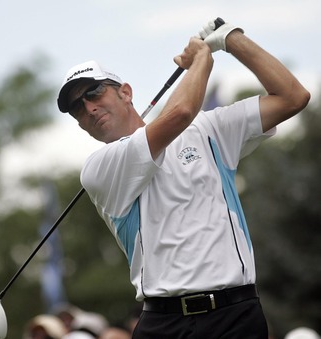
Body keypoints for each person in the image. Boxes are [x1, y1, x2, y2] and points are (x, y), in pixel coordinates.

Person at [56, 18, 310, 339]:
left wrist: (231, 40)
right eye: (77, 108)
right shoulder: (99, 168)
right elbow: (179, 114)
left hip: (235, 316)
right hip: (164, 324)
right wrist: (203, 57)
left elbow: (293, 96)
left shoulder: (209, 129)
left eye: (93, 93)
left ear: (125, 92)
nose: (88, 108)